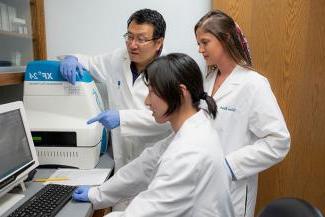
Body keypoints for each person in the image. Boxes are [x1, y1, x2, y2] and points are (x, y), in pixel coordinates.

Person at [72, 53, 235, 217]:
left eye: (152, 92)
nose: (147, 102)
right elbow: (144, 167)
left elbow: (148, 212)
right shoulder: (191, 129)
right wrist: (97, 194)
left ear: (180, 92)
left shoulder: (189, 151)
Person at [194, 10, 291, 217]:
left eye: (205, 42)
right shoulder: (207, 81)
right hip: (201, 185)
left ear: (225, 38)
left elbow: (278, 141)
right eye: (198, 43)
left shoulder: (253, 84)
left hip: (233, 189)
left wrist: (230, 165)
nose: (200, 49)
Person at [59, 9, 172, 172]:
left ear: (159, 42)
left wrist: (122, 118)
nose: (132, 45)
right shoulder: (118, 58)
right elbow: (90, 63)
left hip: (156, 164)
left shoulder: (171, 69)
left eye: (141, 39)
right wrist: (72, 59)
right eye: (129, 37)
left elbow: (170, 119)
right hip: (122, 161)